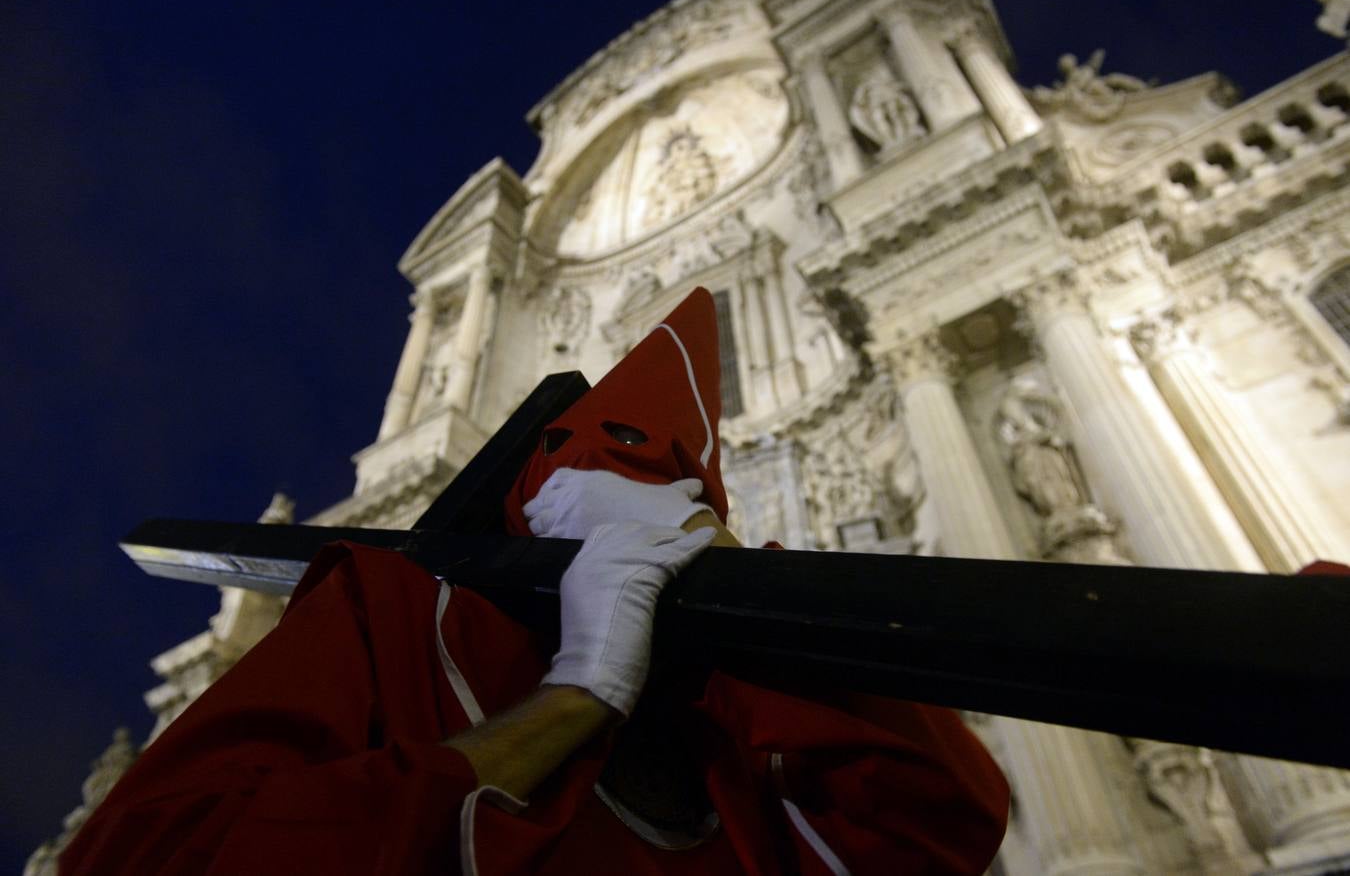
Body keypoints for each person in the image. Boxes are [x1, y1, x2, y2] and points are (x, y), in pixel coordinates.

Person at [61, 289, 1009, 874]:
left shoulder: (732, 742)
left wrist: (737, 593)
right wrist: (576, 694)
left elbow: (945, 828)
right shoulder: (390, 612)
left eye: (671, 503)